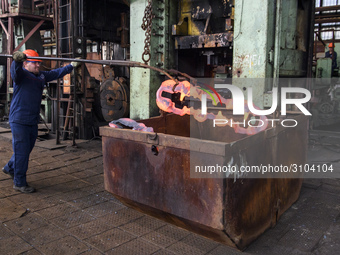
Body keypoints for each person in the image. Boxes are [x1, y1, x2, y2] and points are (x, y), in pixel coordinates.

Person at [2, 49, 80, 193]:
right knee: (22, 151)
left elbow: (57, 73)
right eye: (34, 63)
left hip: (32, 120)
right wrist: (16, 60)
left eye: (39, 63)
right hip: (19, 120)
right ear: (26, 64)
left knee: (25, 149)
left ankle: (9, 168)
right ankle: (19, 182)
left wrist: (71, 66)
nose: (38, 66)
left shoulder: (42, 76)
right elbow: (15, 71)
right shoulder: (21, 75)